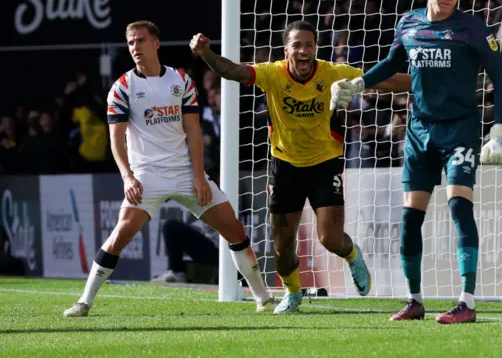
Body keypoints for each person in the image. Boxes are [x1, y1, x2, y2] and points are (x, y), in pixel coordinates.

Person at [190, 21, 410, 314]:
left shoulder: (333, 72)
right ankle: (293, 294)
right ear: (286, 49)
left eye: (309, 45)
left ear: (315, 49)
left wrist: (431, 78)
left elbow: (383, 79)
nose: (303, 51)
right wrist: (206, 54)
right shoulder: (272, 73)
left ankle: (353, 256)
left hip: (325, 164)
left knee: (330, 239)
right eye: (297, 45)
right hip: (284, 167)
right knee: (282, 248)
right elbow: (232, 71)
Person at [330, 0, 502, 323]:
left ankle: (468, 302)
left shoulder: (472, 28)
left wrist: (499, 132)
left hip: (459, 130)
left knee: (460, 207)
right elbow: (392, 63)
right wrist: (359, 83)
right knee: (411, 218)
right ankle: (414, 301)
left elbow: (500, 80)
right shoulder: (408, 24)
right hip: (418, 131)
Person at [64, 21, 274, 317]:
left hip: (185, 172)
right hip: (147, 176)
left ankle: (263, 299)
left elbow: (193, 130)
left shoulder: (181, 81)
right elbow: (116, 139)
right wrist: (128, 177)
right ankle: (83, 302)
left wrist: (199, 176)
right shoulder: (123, 87)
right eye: (131, 43)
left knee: (234, 229)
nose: (135, 47)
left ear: (156, 43)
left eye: (140, 41)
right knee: (121, 235)